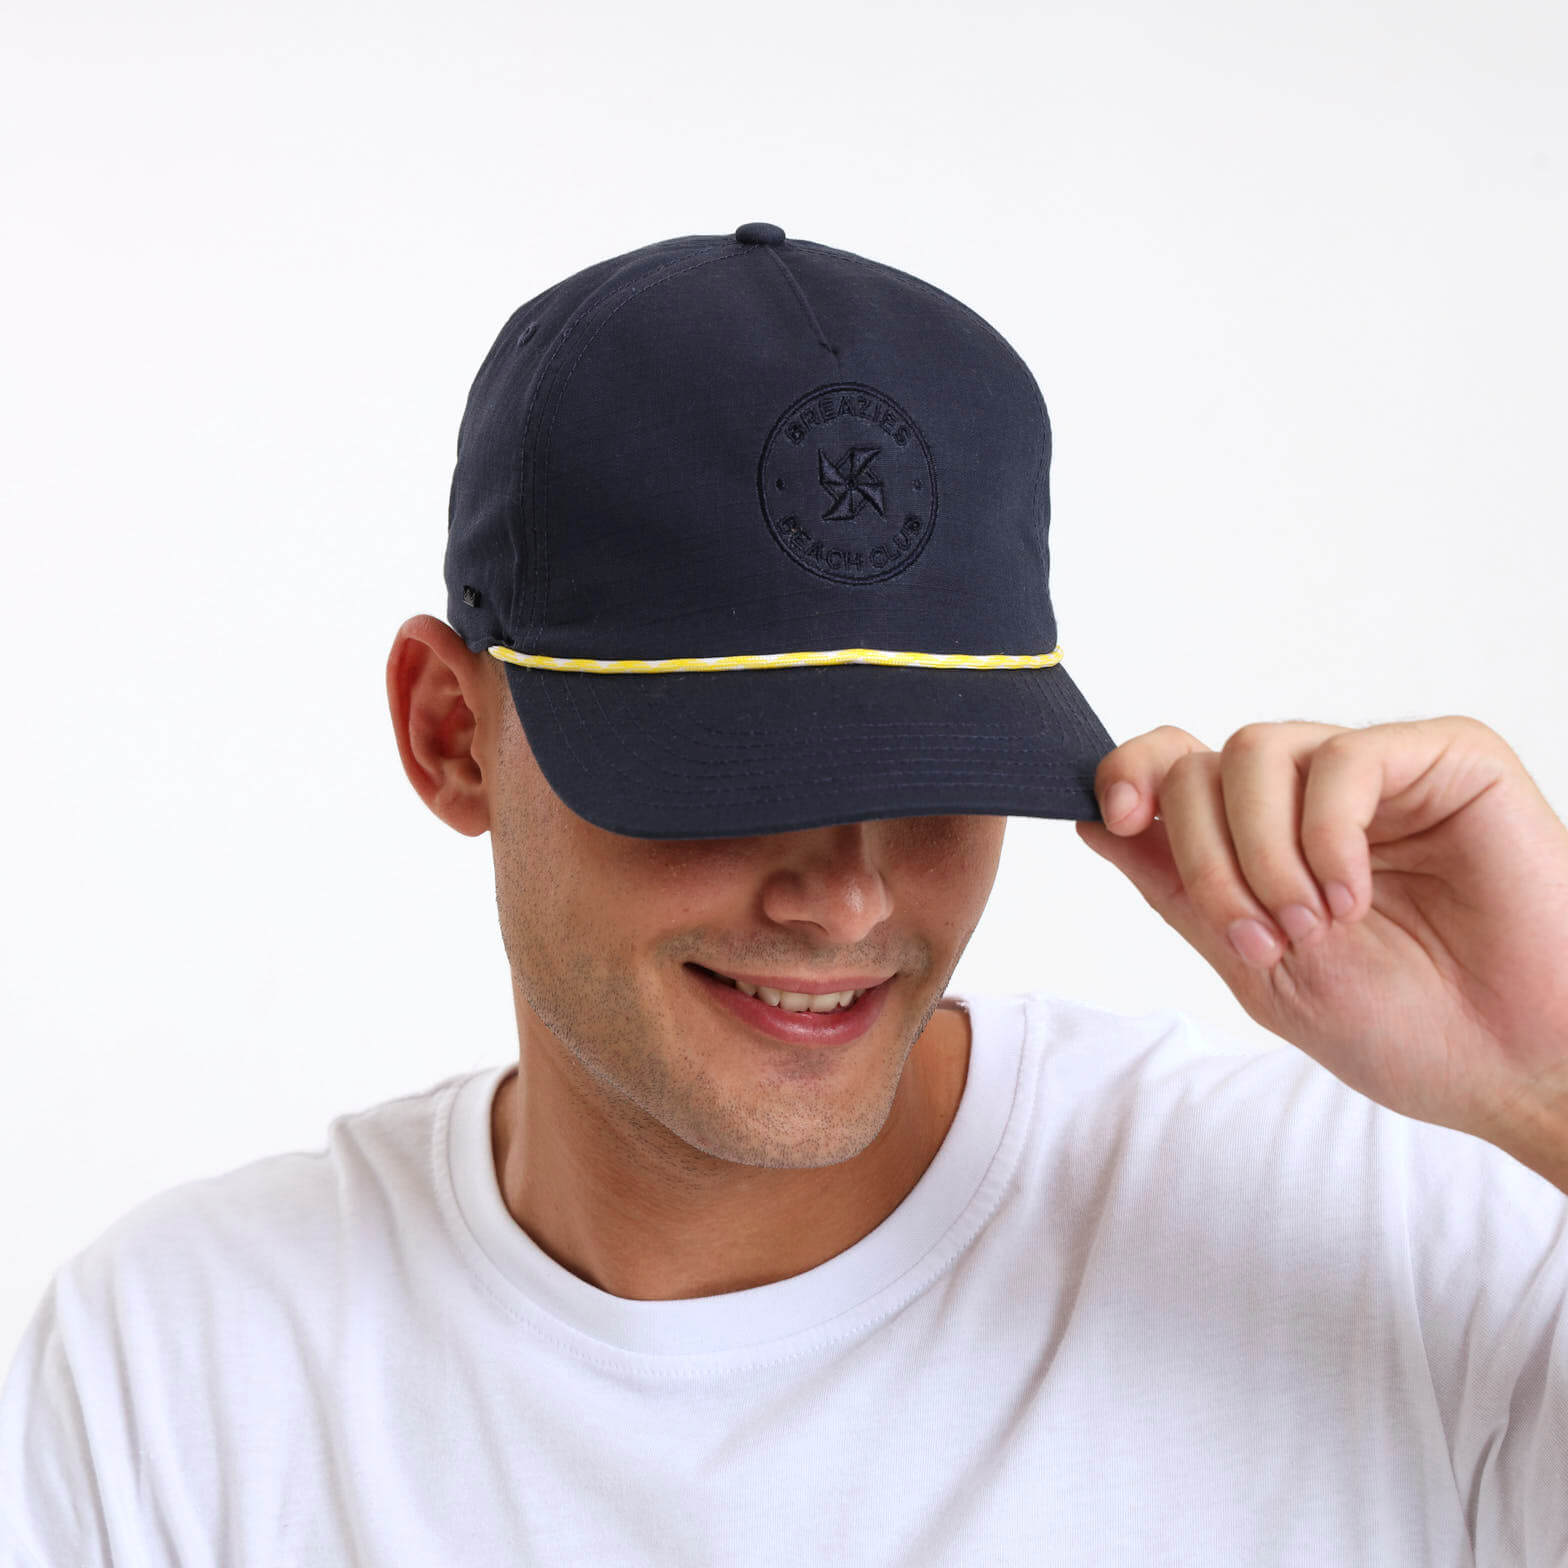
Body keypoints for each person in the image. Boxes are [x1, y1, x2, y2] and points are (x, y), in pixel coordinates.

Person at [3, 223, 1566, 1566]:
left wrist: (1551, 1080)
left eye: (937, 769)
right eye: (729, 773)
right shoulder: (180, 1377)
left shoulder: (1390, 1240)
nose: (848, 900)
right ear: (449, 734)